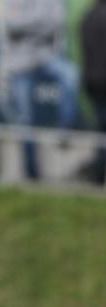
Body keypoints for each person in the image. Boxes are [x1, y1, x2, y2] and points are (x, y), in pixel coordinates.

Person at [0, 0, 79, 179]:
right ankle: (31, 170)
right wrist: (40, 24)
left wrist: (28, 25)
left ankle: (64, 127)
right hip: (20, 64)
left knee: (70, 75)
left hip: (47, 58)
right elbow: (10, 25)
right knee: (24, 117)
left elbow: (57, 23)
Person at [81, 0, 106, 185]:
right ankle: (97, 173)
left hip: (92, 82)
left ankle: (97, 173)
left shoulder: (87, 16)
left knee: (100, 131)